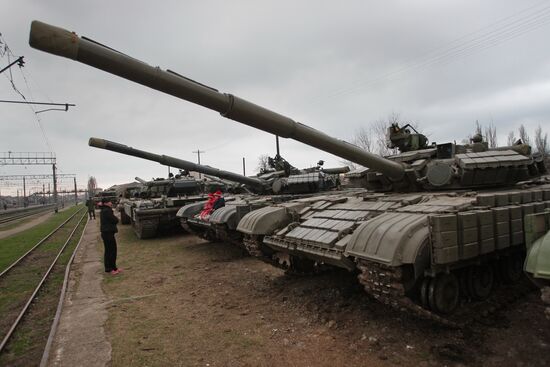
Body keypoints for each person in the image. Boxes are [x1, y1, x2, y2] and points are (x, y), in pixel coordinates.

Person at [99, 198, 120, 275]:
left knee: (111, 250)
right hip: (107, 233)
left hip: (108, 233)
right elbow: (115, 220)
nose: (111, 203)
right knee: (110, 251)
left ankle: (114, 268)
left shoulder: (105, 210)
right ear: (106, 203)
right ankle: (109, 269)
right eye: (110, 202)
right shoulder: (106, 211)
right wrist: (116, 218)